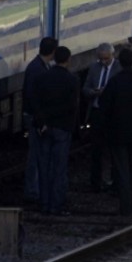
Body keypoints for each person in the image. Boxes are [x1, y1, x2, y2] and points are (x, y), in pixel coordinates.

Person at [96, 48, 132, 215]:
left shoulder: (114, 82)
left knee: (121, 169)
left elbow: (104, 108)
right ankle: (131, 202)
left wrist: (104, 130)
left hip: (118, 134)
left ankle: (125, 206)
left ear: (120, 64)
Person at [34, 45, 80, 216]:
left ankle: (44, 203)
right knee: (59, 168)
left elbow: (36, 104)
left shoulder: (42, 78)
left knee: (44, 167)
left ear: (54, 59)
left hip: (45, 128)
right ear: (68, 60)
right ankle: (56, 204)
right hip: (62, 128)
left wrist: (41, 123)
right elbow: (72, 107)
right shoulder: (72, 80)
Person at [21, 37, 57, 204]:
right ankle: (32, 191)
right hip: (35, 117)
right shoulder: (39, 70)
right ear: (53, 52)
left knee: (36, 154)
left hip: (33, 116)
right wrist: (40, 121)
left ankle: (35, 189)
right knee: (35, 155)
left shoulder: (37, 66)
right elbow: (34, 97)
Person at [82, 42, 117, 192]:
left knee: (114, 150)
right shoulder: (94, 68)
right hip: (97, 112)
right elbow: (85, 89)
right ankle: (95, 182)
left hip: (112, 114)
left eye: (106, 59)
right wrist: (94, 92)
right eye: (101, 59)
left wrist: (107, 92)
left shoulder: (119, 69)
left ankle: (115, 182)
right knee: (96, 150)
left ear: (112, 56)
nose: (103, 62)